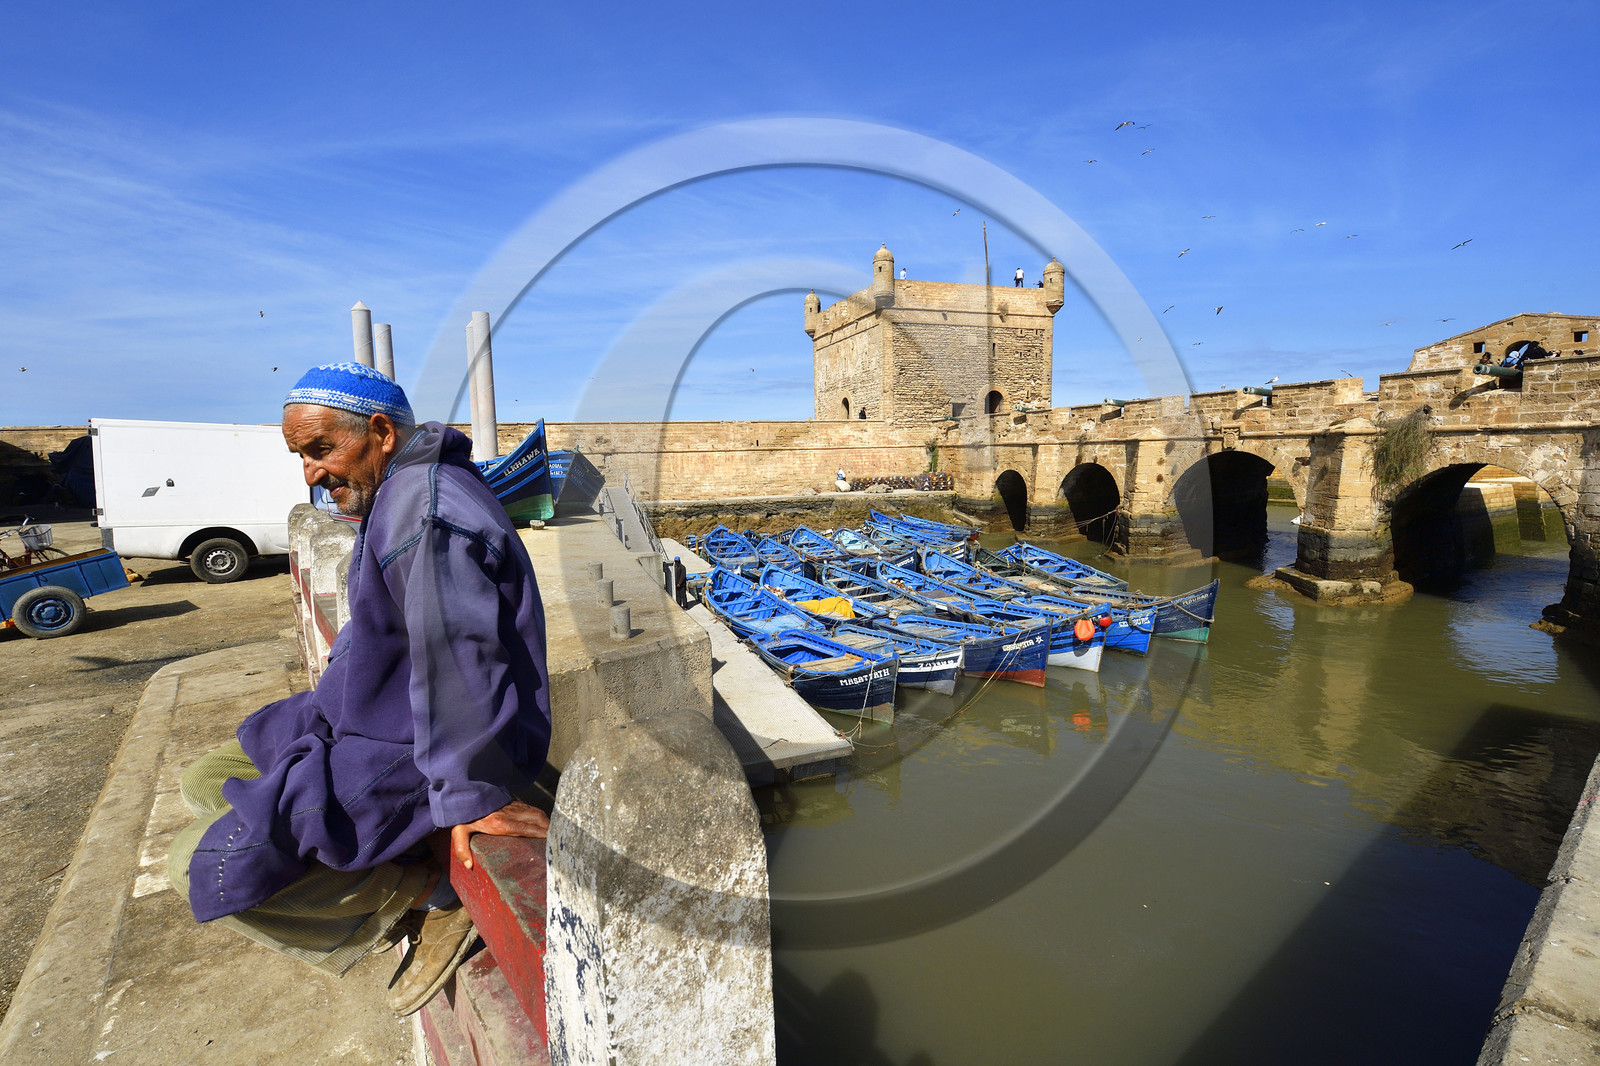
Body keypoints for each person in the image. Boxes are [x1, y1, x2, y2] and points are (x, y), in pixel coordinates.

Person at [166, 362, 551, 1017]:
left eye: (321, 451)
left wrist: (470, 795)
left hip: (409, 744)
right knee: (207, 777)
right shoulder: (395, 491)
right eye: (301, 457)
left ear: (380, 432)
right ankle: (378, 866)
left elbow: (457, 656)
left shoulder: (424, 514)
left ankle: (420, 894)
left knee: (191, 865)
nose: (312, 473)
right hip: (362, 714)